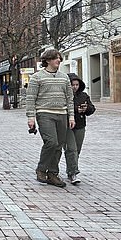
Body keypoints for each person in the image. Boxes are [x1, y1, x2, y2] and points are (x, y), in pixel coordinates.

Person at [26, 49, 75, 188]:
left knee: (59, 145)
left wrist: (71, 116)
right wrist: (31, 117)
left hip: (62, 114)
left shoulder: (64, 77)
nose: (58, 60)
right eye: (55, 58)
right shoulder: (37, 77)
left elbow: (69, 99)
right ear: (47, 60)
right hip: (44, 113)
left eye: (59, 58)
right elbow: (30, 98)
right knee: (51, 142)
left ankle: (53, 173)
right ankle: (41, 169)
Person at [64, 73, 96, 185]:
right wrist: (76, 110)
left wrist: (86, 109)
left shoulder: (83, 95)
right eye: (72, 85)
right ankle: (73, 172)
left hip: (80, 125)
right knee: (71, 149)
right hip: (67, 126)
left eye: (77, 85)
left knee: (77, 150)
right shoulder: (64, 96)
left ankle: (70, 170)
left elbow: (92, 109)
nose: (75, 87)